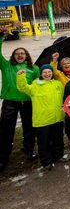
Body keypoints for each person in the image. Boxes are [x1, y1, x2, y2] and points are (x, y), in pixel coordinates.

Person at [16, 64, 65, 172]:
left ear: (52, 73)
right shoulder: (35, 85)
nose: (47, 74)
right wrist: (20, 76)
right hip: (42, 120)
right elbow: (23, 87)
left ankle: (58, 156)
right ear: (41, 74)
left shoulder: (58, 84)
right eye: (45, 72)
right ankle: (46, 162)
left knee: (58, 140)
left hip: (57, 117)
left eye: (49, 72)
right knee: (44, 143)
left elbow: (63, 97)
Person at [0, 37, 39, 171]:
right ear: (13, 56)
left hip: (27, 102)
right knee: (6, 129)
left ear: (26, 55)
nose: (20, 55)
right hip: (10, 102)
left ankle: (29, 150)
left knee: (29, 128)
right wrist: (1, 37)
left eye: (22, 53)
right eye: (17, 54)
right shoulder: (6, 66)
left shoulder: (34, 68)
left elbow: (37, 85)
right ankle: (4, 156)